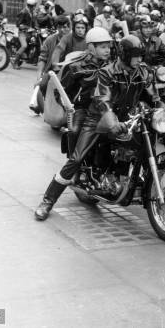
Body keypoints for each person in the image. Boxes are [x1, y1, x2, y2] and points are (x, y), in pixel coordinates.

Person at [34, 27, 114, 221]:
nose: (107, 50)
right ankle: (48, 200)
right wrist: (68, 105)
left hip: (106, 110)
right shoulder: (75, 66)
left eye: (108, 46)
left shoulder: (112, 65)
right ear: (91, 48)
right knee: (76, 142)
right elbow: (59, 92)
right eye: (102, 47)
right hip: (83, 109)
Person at [33, 14, 72, 112]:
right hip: (52, 72)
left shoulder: (73, 40)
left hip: (69, 72)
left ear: (69, 27)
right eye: (59, 27)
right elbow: (42, 58)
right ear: (56, 28)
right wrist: (39, 75)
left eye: (65, 27)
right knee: (41, 85)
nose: (62, 30)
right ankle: (46, 106)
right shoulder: (50, 40)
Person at [13, 0, 37, 69]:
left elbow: (32, 23)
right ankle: (15, 62)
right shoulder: (23, 12)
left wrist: (36, 28)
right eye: (34, 5)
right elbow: (18, 24)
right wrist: (27, 28)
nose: (35, 7)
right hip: (22, 33)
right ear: (31, 6)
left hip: (29, 33)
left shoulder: (31, 12)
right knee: (24, 46)